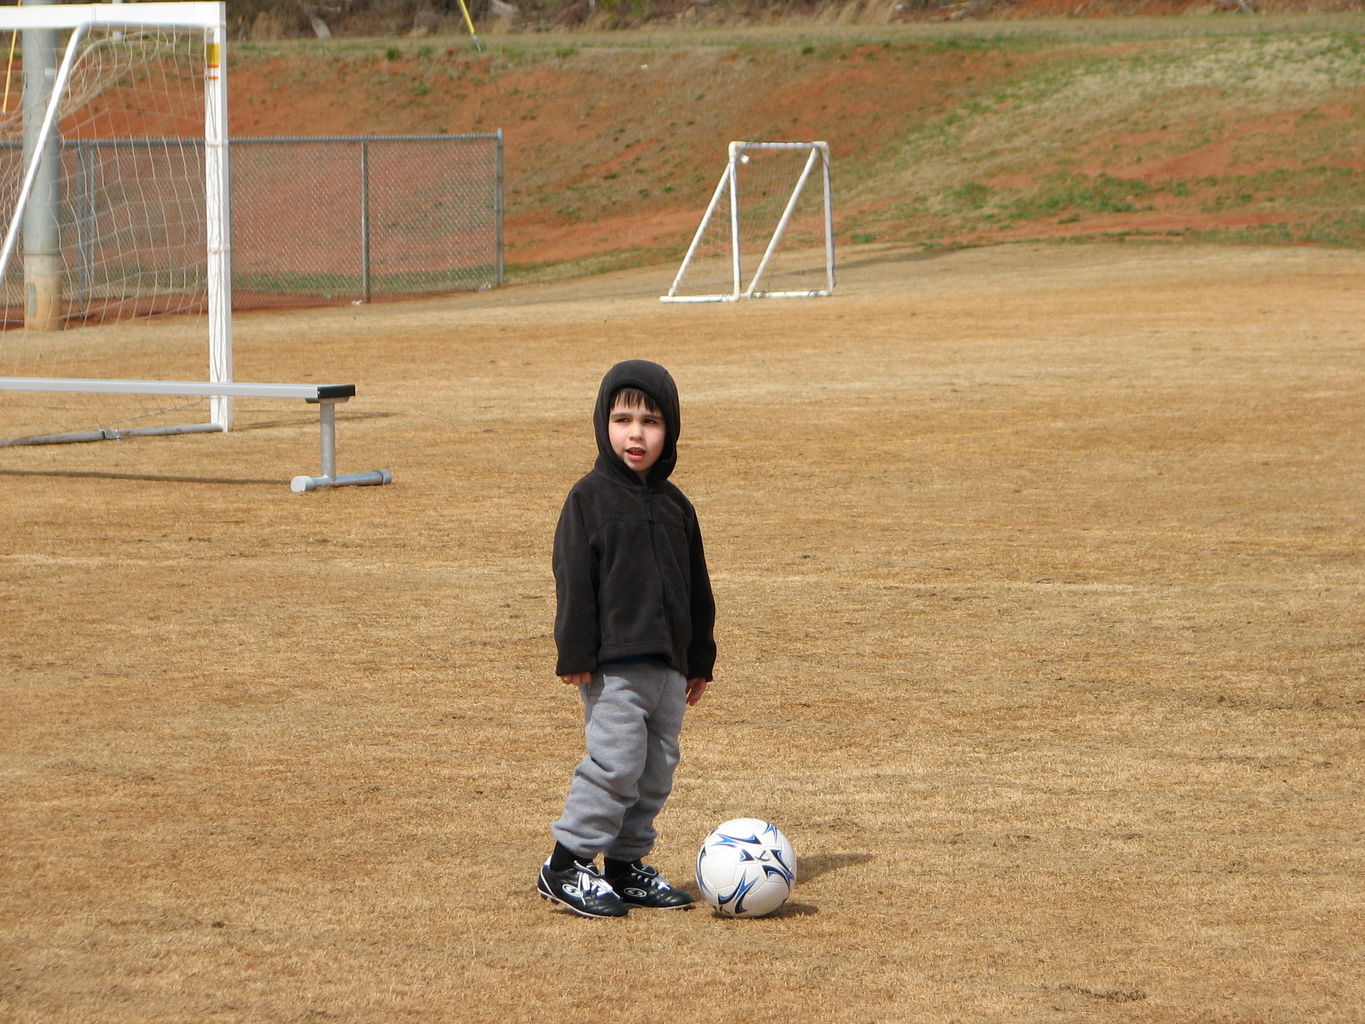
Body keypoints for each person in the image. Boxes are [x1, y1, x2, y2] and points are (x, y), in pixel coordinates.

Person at [537, 359, 717, 918]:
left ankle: (624, 864)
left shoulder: (676, 507)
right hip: (614, 667)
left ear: (671, 431)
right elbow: (573, 577)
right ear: (603, 424)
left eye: (650, 421)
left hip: (668, 669)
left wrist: (699, 658)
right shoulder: (589, 499)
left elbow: (696, 586)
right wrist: (575, 650)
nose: (635, 433)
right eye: (621, 419)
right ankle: (566, 864)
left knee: (655, 769)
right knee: (615, 764)